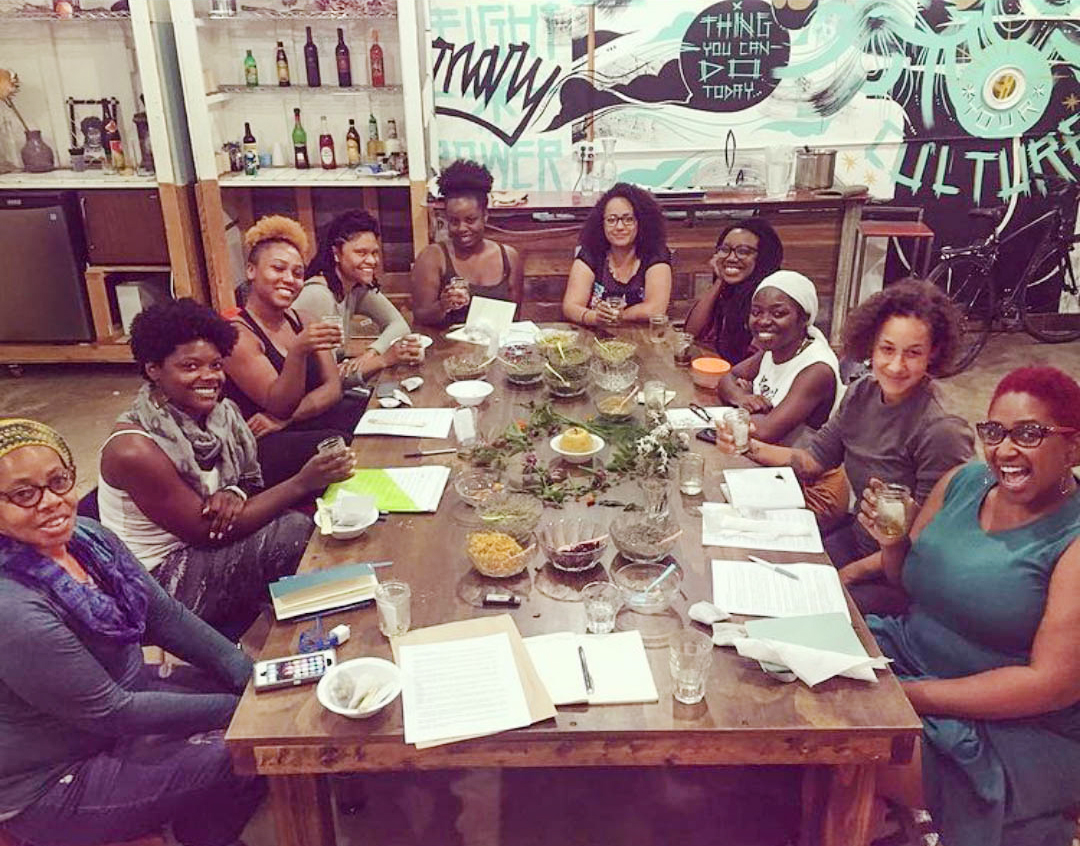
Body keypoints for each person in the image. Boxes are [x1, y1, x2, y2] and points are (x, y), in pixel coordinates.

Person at [0, 419, 265, 846]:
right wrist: (240, 710)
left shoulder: (88, 538)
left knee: (260, 695)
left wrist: (246, 672)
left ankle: (201, 832)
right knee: (249, 744)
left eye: (58, 481)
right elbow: (113, 710)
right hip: (51, 782)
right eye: (23, 494)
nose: (50, 502)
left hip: (111, 719)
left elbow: (164, 616)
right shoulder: (11, 607)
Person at [861, 366, 1080, 846]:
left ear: (1074, 447)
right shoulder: (964, 482)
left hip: (1012, 726)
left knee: (847, 746)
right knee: (801, 684)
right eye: (995, 431)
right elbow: (909, 581)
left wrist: (911, 697)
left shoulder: (1073, 540)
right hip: (911, 656)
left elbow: (1050, 686)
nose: (1005, 450)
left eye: (1029, 434)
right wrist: (893, 542)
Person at [99, 299, 354, 637]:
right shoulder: (134, 449)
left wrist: (234, 490)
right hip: (159, 585)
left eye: (216, 365)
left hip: (200, 546)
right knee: (293, 530)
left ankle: (302, 615)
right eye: (190, 366)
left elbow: (245, 479)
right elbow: (207, 531)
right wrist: (303, 482)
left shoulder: (219, 415)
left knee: (305, 522)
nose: (209, 377)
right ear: (153, 369)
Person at [715, 278, 974, 605]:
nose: (895, 366)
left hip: (899, 575)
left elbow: (926, 543)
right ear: (871, 345)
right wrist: (746, 445)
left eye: (913, 353)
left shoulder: (941, 429)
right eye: (887, 349)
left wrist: (848, 574)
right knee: (753, 568)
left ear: (934, 353)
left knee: (797, 603)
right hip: (857, 539)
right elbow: (813, 460)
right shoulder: (862, 392)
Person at [224, 215, 366, 487]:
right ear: (251, 270)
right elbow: (278, 403)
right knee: (342, 447)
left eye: (298, 273)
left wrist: (286, 420)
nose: (288, 279)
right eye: (278, 269)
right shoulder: (238, 335)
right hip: (264, 445)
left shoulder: (304, 318)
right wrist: (298, 352)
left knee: (370, 415)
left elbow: (333, 388)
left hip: (292, 424)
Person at [716, 270, 849, 529]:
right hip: (774, 470)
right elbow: (726, 378)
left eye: (778, 313)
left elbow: (764, 431)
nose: (764, 321)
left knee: (725, 522)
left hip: (813, 490)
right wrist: (743, 398)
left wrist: (740, 416)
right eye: (757, 312)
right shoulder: (774, 348)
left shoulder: (816, 369)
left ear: (804, 319)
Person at [294, 209, 423, 381]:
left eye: (374, 253)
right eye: (361, 253)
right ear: (336, 254)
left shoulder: (355, 287)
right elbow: (327, 381)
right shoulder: (319, 295)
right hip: (309, 399)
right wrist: (384, 359)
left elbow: (399, 325)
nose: (371, 261)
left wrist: (371, 352)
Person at [411, 160, 524, 326]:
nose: (462, 228)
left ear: (485, 215)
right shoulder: (433, 257)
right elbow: (420, 317)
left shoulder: (509, 257)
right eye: (454, 221)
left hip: (494, 347)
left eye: (470, 220)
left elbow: (514, 318)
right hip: (445, 348)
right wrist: (443, 305)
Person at [562, 182, 672, 327]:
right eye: (612, 220)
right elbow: (571, 306)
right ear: (601, 224)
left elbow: (656, 309)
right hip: (596, 340)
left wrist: (618, 316)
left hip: (644, 339)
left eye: (628, 219)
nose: (619, 227)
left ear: (641, 222)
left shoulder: (656, 254)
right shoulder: (591, 253)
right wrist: (595, 317)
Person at [684, 217, 784, 363]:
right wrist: (720, 281)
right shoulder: (730, 290)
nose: (731, 258)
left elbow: (759, 360)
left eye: (743, 252)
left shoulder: (768, 297)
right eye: (725, 250)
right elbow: (691, 333)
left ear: (763, 257)